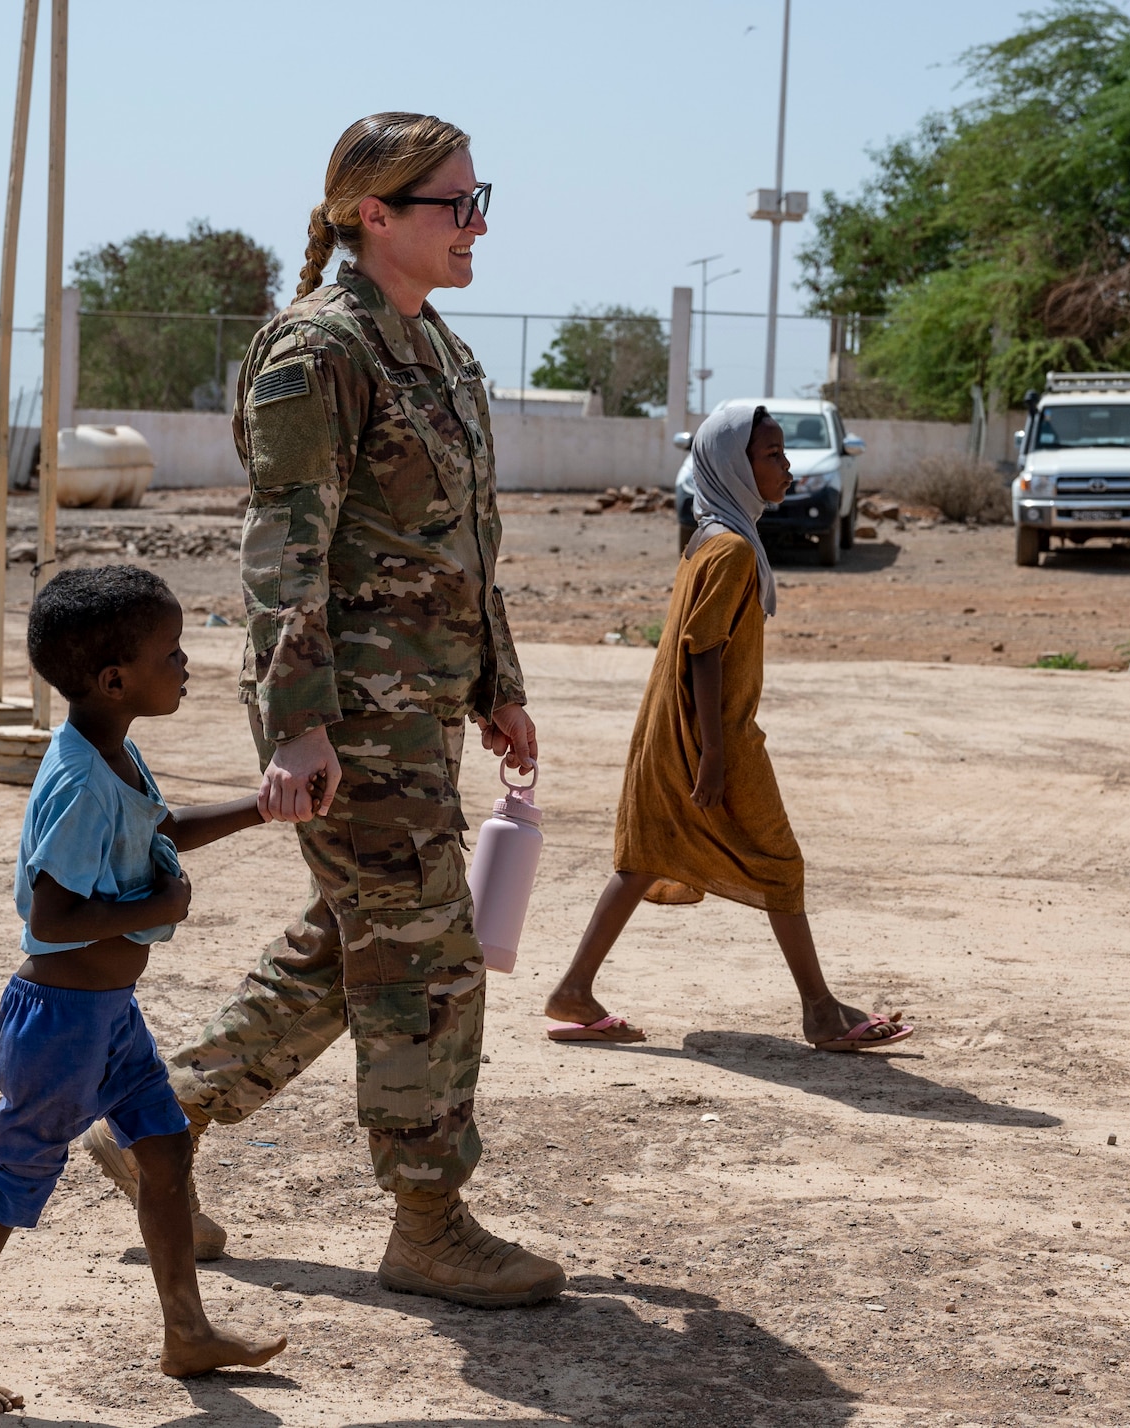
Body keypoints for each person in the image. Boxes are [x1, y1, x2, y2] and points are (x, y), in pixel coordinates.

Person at [75, 113, 564, 1309]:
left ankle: (155, 1120)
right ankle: (428, 1222)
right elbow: (282, 553)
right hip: (348, 717)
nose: (477, 223)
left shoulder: (434, 351)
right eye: (453, 202)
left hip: (422, 709)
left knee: (349, 942)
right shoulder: (318, 350)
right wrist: (296, 725)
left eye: (475, 196)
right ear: (373, 213)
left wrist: (495, 683)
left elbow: (465, 544)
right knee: (424, 960)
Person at [0, 567, 286, 1417]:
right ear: (115, 680)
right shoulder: (76, 780)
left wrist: (262, 810)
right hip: (61, 1023)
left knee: (167, 1146)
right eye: (171, 653)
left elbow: (160, 829)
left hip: (108, 1018)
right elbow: (53, 915)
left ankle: (188, 1333)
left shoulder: (112, 749)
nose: (186, 665)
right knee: (16, 1178)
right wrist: (163, 905)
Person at [541, 402, 916, 1052]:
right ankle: (821, 1012)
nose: (787, 466)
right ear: (730, 464)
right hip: (712, 735)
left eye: (782, 453)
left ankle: (575, 987)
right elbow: (702, 646)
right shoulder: (734, 549)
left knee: (644, 856)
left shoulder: (713, 535)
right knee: (779, 862)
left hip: (669, 731)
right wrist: (714, 752)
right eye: (771, 455)